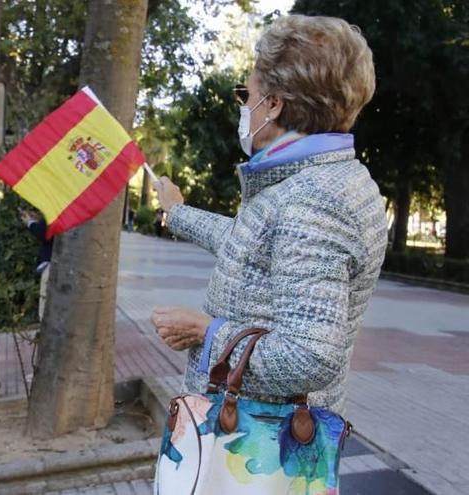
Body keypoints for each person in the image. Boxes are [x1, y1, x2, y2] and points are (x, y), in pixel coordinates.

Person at [151, 14, 387, 416]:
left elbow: (308, 357)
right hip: (260, 441)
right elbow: (254, 245)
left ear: (274, 103)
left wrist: (206, 332)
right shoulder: (319, 179)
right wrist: (177, 213)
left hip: (258, 450)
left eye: (247, 94)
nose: (245, 106)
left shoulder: (313, 199)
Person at [21, 208, 53, 320]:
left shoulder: (54, 211)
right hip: (54, 261)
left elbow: (43, 233)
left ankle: (43, 323)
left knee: (45, 296)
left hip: (50, 262)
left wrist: (30, 222)